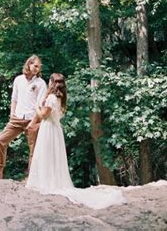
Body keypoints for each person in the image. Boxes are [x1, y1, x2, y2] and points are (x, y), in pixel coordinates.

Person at [26, 73, 126, 209]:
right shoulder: (61, 98)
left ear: (51, 83)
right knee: (53, 157)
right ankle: (52, 181)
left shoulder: (51, 98)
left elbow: (43, 115)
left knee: (47, 156)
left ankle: (47, 183)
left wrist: (36, 106)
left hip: (49, 130)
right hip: (55, 130)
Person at [0, 55, 47, 179]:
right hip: (17, 117)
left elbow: (40, 105)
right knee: (1, 140)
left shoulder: (41, 83)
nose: (37, 69)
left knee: (33, 149)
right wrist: (12, 114)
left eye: (39, 67)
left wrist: (34, 122)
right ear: (29, 64)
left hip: (32, 119)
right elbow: (14, 98)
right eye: (35, 65)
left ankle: (32, 178)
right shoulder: (18, 80)